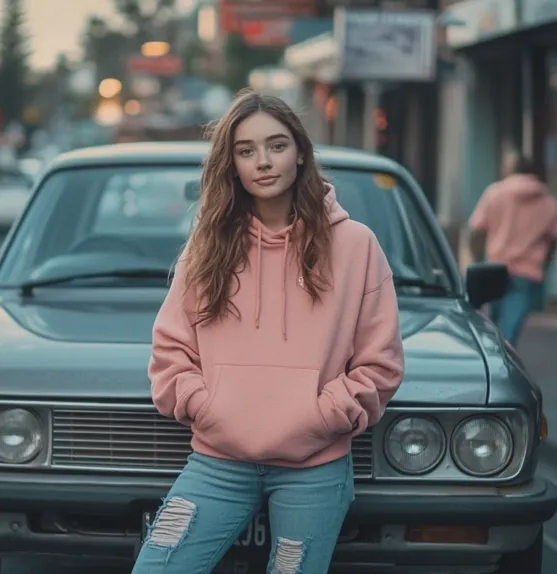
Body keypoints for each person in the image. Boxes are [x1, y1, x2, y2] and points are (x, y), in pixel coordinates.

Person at [133, 90, 405, 574]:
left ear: (301, 153)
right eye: (246, 150)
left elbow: (379, 364)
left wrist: (319, 417)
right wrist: (207, 407)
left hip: (315, 469)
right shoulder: (208, 245)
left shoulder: (356, 245)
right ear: (232, 163)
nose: (263, 161)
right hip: (217, 463)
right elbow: (170, 351)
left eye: (276, 145)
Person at [468, 151, 557, 346]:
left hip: (495, 267)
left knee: (491, 323)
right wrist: (546, 262)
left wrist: (478, 260)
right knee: (510, 328)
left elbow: (475, 231)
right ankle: (504, 358)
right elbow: (555, 237)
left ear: (511, 170)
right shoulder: (547, 201)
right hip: (528, 270)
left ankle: (494, 359)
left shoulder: (494, 193)